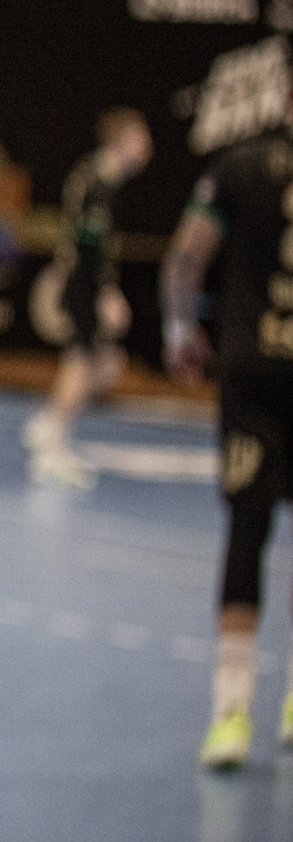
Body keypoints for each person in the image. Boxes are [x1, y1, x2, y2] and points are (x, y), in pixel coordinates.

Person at [163, 105, 293, 769]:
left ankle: (229, 715)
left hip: (251, 379)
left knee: (246, 533)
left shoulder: (241, 166)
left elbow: (186, 257)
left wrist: (179, 330)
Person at [24, 108, 152, 490]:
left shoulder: (102, 180)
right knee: (83, 360)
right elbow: (87, 247)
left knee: (100, 362)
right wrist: (104, 293)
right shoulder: (97, 183)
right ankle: (50, 442)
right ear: (121, 141)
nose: (147, 147)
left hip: (86, 283)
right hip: (83, 284)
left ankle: (49, 424)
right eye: (141, 138)